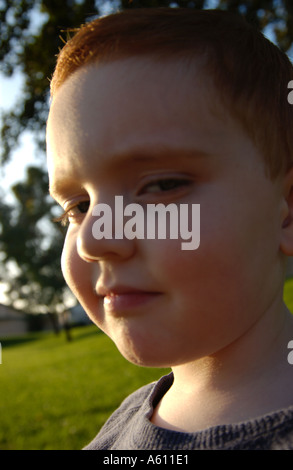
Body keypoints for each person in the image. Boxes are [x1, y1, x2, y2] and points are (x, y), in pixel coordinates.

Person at [46, 8, 293, 450]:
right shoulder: (122, 424)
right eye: (78, 207)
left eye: (160, 186)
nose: (93, 240)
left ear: (287, 212)